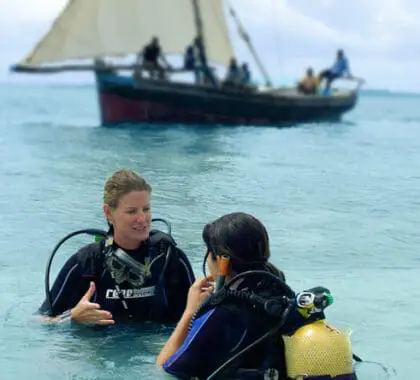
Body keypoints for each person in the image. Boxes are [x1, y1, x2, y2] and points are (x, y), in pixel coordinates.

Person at [156, 212, 357, 380]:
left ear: (222, 261)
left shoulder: (224, 311)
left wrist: (190, 311)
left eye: (209, 252)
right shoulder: (283, 296)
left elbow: (166, 369)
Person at [38, 169, 195, 326]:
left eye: (146, 209)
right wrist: (71, 317)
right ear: (108, 212)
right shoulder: (87, 262)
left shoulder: (167, 257)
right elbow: (38, 322)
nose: (142, 219)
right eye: (132, 211)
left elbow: (197, 316)